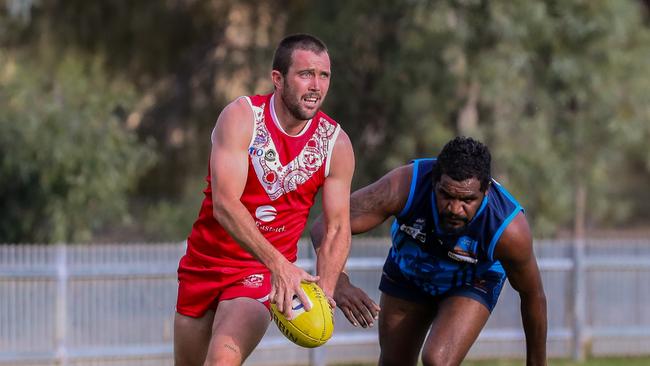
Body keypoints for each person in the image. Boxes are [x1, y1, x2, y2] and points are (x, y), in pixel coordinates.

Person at [174, 34, 354, 366]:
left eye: (324, 75)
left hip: (260, 275)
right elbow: (225, 204)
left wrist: (324, 290)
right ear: (278, 78)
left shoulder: (336, 144)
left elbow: (338, 226)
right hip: (204, 263)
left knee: (221, 362)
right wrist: (280, 264)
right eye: (305, 74)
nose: (316, 85)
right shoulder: (242, 118)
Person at [311, 136, 547, 366]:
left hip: (472, 278)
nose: (455, 208)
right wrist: (338, 281)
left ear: (486, 191)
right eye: (446, 195)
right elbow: (325, 225)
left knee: (438, 360)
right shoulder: (404, 186)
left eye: (467, 200)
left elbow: (533, 295)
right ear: (434, 181)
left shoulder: (507, 227)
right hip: (409, 271)